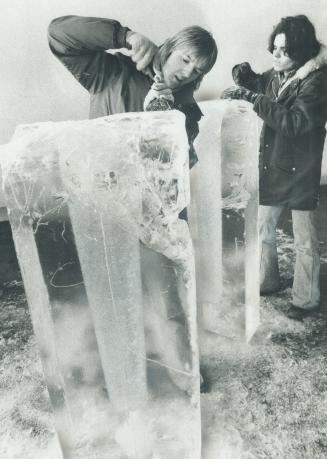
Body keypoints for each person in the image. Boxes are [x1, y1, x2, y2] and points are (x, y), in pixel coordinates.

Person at [222, 15, 327, 321]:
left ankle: (306, 299)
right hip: (276, 165)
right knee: (263, 228)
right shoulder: (282, 71)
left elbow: (295, 122)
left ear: (303, 52)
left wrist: (253, 98)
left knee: (304, 237)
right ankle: (268, 281)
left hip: (301, 170)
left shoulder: (316, 82)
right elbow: (263, 84)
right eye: (275, 49)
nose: (276, 56)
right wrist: (245, 77)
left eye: (284, 51)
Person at [48, 15, 218, 169]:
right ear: (170, 47)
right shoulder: (113, 73)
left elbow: (178, 176)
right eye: (185, 59)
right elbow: (57, 34)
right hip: (99, 188)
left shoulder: (190, 114)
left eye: (197, 71)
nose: (188, 73)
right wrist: (125, 36)